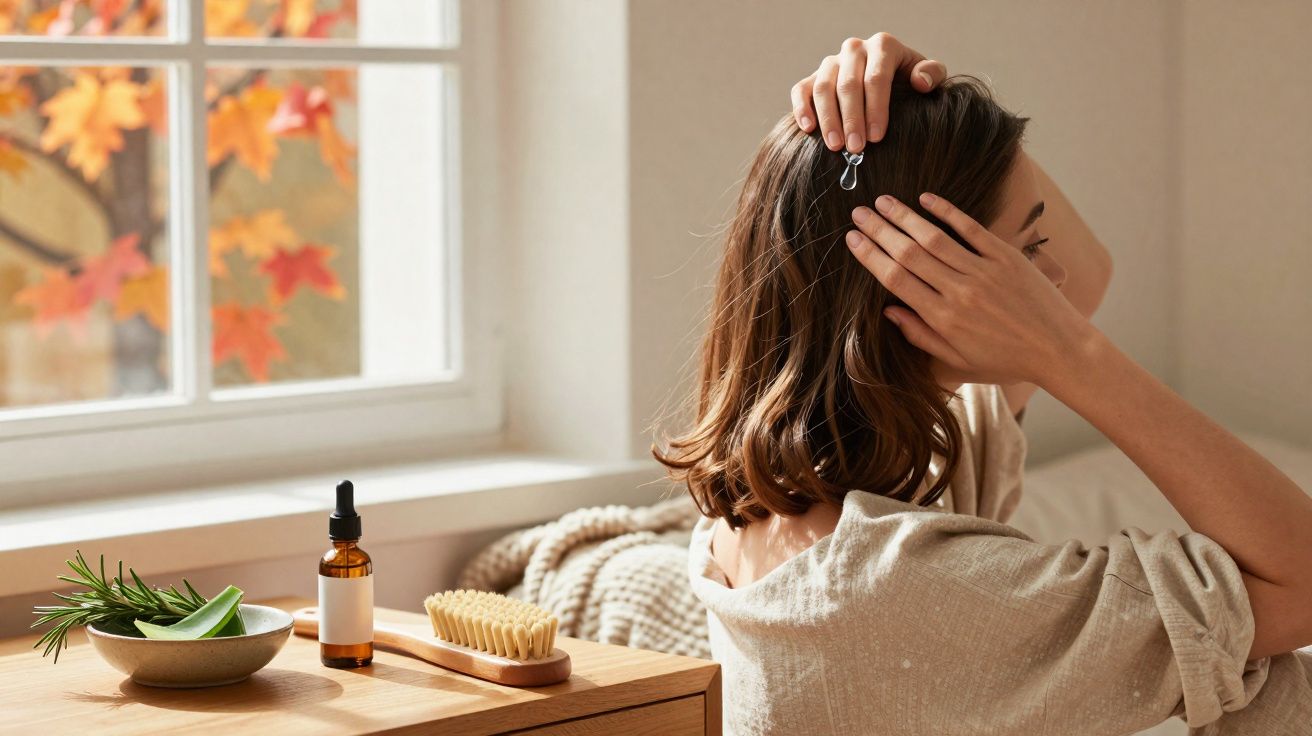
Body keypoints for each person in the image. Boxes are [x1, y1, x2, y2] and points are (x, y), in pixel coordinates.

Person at [653, 32, 1312, 735]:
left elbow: (1085, 276)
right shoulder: (900, 590)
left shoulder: (787, 502)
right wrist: (1070, 354)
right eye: (1027, 252)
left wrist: (935, 112)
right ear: (911, 286)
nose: (1051, 282)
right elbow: (1300, 580)